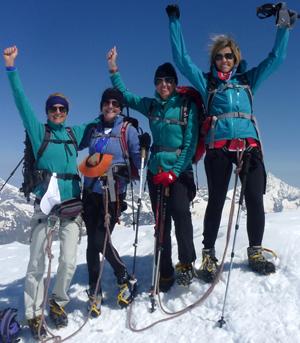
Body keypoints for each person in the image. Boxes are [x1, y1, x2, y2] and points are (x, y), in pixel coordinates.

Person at [165, 4, 291, 281]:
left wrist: (283, 29)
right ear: (214, 59)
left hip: (249, 147)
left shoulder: (248, 80)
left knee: (255, 199)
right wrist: (174, 21)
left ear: (236, 59)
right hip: (219, 147)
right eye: (220, 56)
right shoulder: (207, 83)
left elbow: (276, 59)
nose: (225, 60)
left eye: (229, 56)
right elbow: (182, 59)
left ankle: (254, 251)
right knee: (217, 202)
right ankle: (209, 254)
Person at [3, 46, 100, 340]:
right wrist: (11, 67)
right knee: (36, 263)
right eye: (53, 108)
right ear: (47, 112)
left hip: (71, 206)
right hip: (45, 208)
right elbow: (21, 103)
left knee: (69, 260)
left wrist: (118, 100)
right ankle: (33, 313)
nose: (57, 112)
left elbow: (104, 120)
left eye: (62, 109)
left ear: (67, 113)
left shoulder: (73, 134)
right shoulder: (39, 131)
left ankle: (57, 303)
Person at [107, 47, 198, 292]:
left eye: (168, 80)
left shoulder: (187, 106)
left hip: (178, 171)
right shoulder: (151, 106)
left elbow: (189, 144)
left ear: (175, 83)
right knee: (161, 223)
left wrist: (175, 172)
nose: (163, 84)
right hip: (156, 172)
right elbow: (125, 96)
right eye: (159, 80)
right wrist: (114, 68)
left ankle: (187, 263)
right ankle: (165, 270)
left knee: (180, 213)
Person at [79, 88, 151, 315]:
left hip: (112, 191)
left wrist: (144, 148)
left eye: (115, 103)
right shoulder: (94, 129)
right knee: (93, 238)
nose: (110, 106)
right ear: (101, 105)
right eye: (106, 103)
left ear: (120, 108)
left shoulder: (126, 130)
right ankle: (94, 285)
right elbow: (75, 143)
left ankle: (123, 276)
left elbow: (139, 164)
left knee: (99, 237)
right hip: (89, 189)